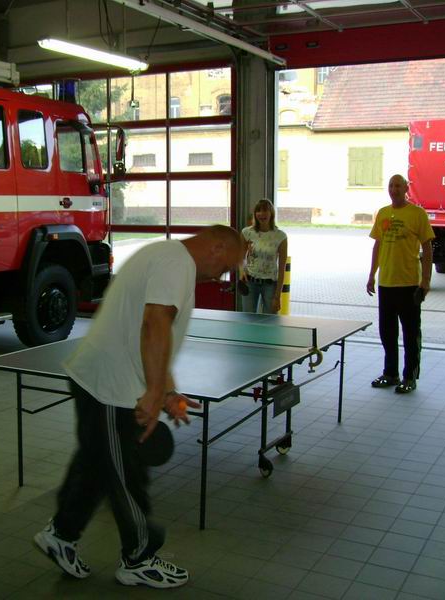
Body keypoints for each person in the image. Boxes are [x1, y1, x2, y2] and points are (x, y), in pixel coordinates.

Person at [33, 225, 244, 589]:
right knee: (126, 474)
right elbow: (154, 323)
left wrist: (166, 391)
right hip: (109, 387)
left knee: (98, 464)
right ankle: (139, 559)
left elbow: (147, 333)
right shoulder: (176, 264)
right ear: (217, 247)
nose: (225, 274)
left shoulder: (167, 256)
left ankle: (62, 534)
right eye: (229, 264)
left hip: (100, 378)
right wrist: (154, 392)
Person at [366, 174, 434, 394]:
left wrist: (425, 281)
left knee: (410, 333)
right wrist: (371, 274)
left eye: (398, 185)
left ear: (406, 188)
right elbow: (377, 245)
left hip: (409, 285)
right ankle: (391, 373)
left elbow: (428, 248)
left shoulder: (417, 214)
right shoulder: (384, 213)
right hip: (386, 284)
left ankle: (409, 376)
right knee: (387, 333)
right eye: (390, 186)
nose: (393, 189)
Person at [240, 199, 288, 314]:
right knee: (248, 320)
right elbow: (240, 256)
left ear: (271, 213)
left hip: (270, 285)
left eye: (265, 211)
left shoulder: (280, 236)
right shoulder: (247, 232)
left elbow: (281, 269)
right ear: (255, 214)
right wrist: (242, 270)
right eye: (258, 211)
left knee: (270, 321)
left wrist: (278, 296)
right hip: (250, 282)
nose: (262, 214)